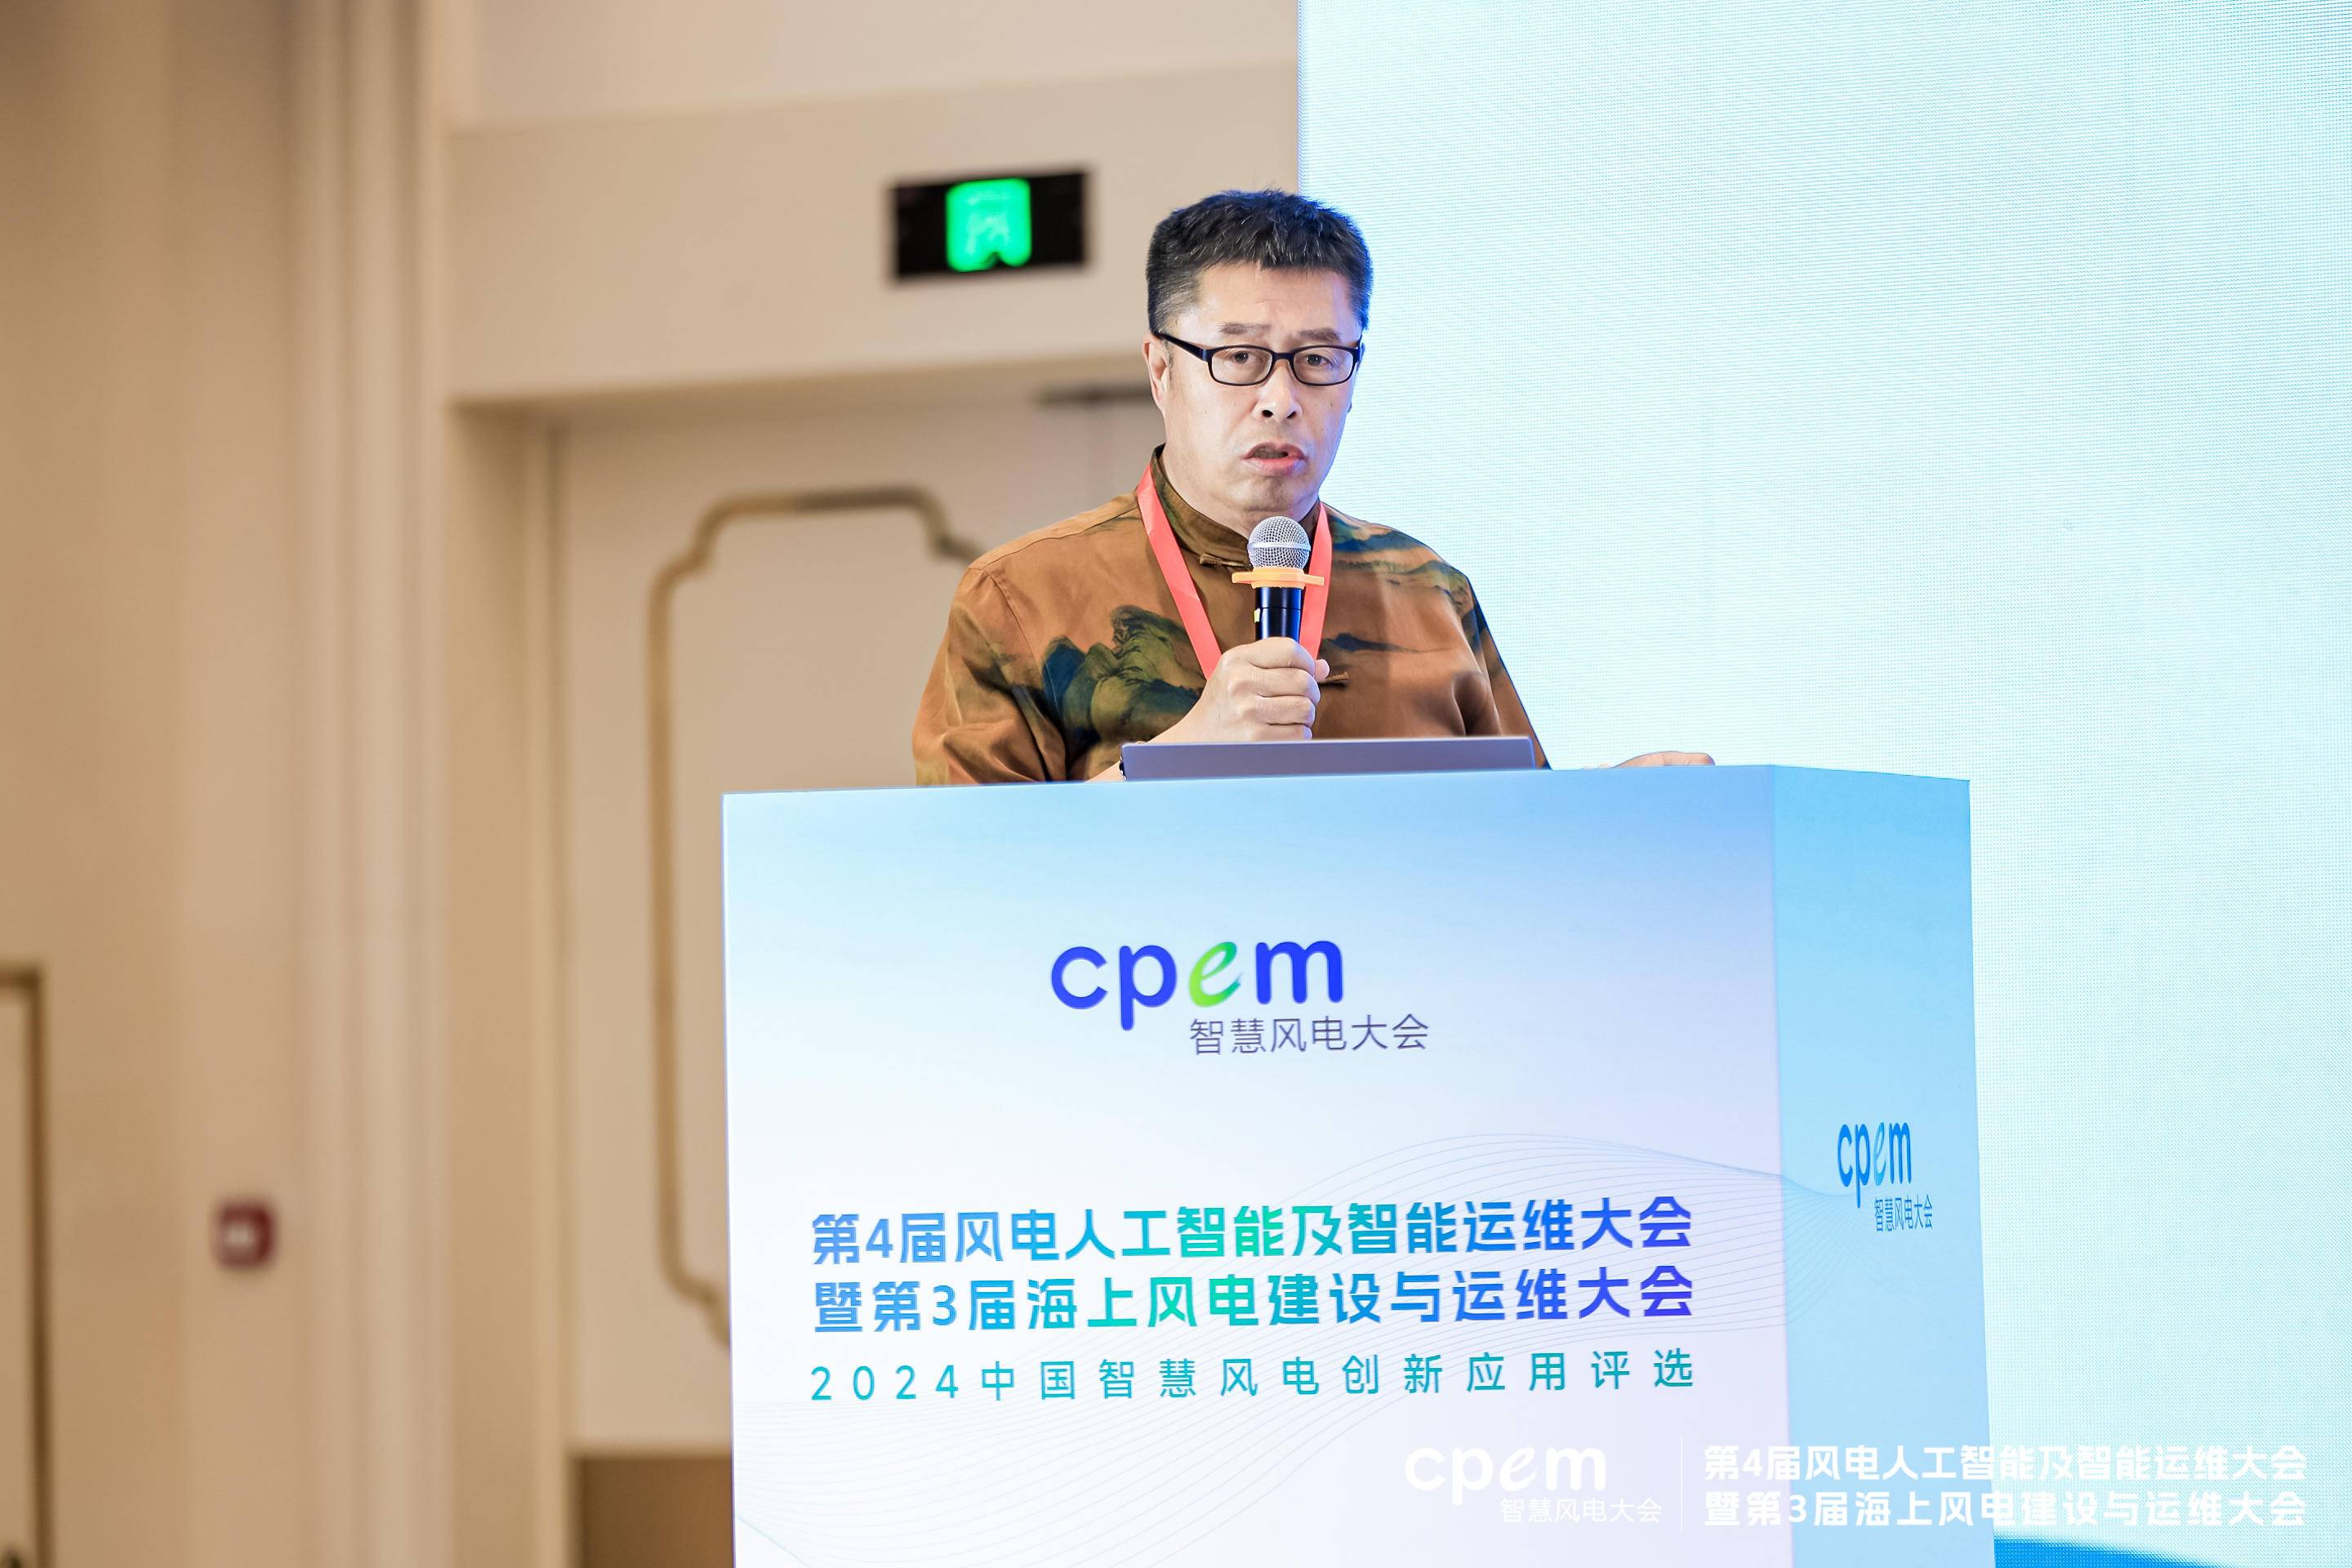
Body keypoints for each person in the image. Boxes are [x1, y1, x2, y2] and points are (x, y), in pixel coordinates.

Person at [912, 188, 1708, 783]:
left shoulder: (1429, 591)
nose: (1281, 398)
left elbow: (1522, 851)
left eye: (1319, 359)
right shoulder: (1021, 597)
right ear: (1160, 370)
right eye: (1240, 357)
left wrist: (1612, 809)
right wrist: (1181, 756)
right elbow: (964, 879)